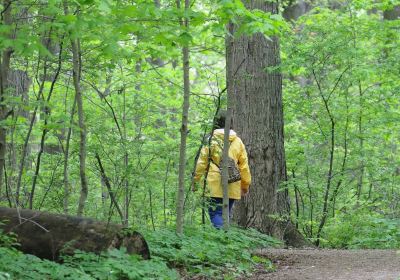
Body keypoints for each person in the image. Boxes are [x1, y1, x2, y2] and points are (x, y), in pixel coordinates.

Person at [192, 111, 251, 228]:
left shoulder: (210, 139)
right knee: (226, 214)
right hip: (232, 182)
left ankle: (222, 240)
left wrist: (195, 181)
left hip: (213, 183)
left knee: (215, 213)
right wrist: (245, 185)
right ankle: (226, 240)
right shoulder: (237, 141)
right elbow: (244, 166)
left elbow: (201, 163)